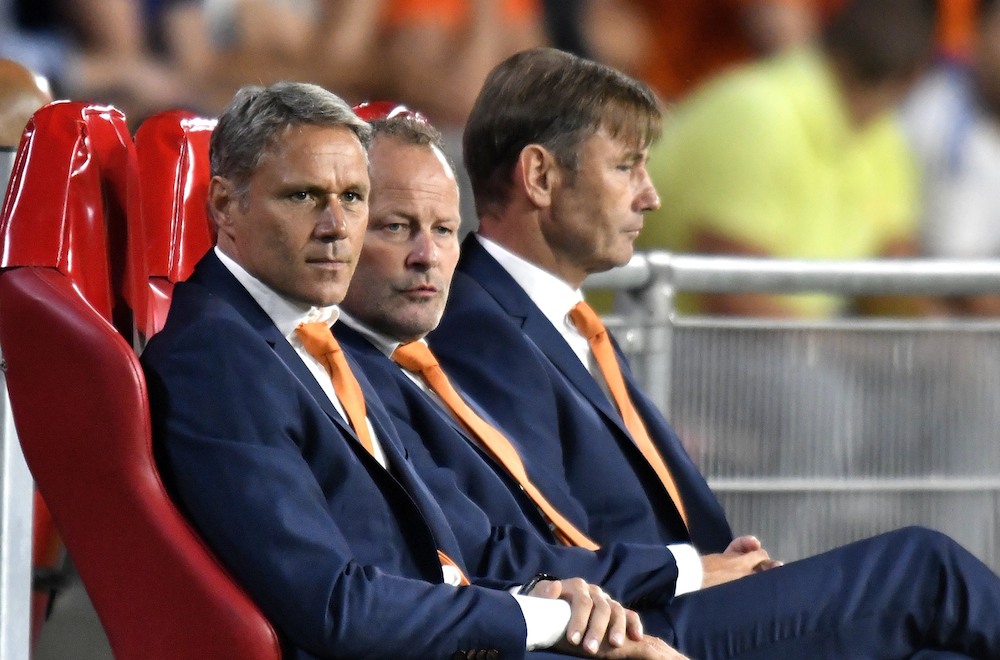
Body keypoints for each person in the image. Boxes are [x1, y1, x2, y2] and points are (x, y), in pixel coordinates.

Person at [425, 45, 1000, 657]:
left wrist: (720, 568)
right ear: (540, 176)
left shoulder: (560, 315)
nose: (651, 197)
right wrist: (692, 571)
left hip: (690, 600)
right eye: (626, 167)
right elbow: (541, 539)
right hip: (638, 629)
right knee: (923, 566)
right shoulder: (479, 327)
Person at [140, 80, 688, 660]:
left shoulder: (309, 334)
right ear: (226, 206)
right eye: (303, 197)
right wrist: (543, 619)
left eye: (353, 197)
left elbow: (431, 559)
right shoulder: (218, 359)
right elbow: (336, 606)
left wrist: (545, 599)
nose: (335, 226)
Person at [640, 0, 937, 318]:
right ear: (915, 75)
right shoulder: (758, 113)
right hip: (659, 353)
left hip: (769, 353)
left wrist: (942, 342)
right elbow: (733, 297)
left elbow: (893, 274)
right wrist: (851, 354)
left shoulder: (885, 135)